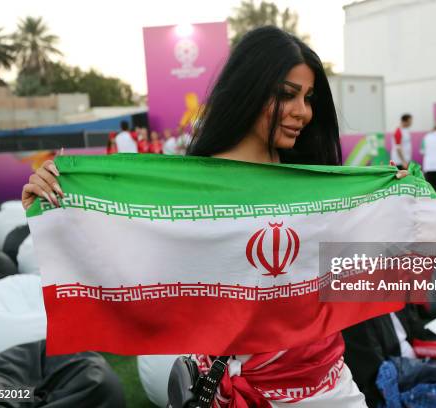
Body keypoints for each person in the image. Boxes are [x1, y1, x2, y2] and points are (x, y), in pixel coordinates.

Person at [21, 26, 408, 406]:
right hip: (226, 389)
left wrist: (391, 206)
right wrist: (56, 206)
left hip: (326, 389)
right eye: (287, 95)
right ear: (249, 91)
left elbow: (359, 276)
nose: (302, 112)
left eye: (308, 98)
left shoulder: (316, 183)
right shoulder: (190, 190)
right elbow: (131, 263)